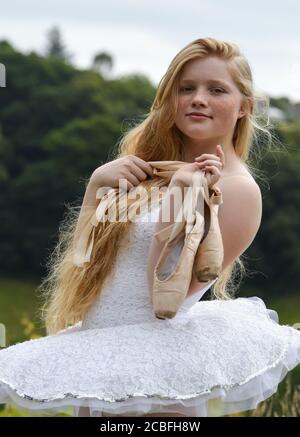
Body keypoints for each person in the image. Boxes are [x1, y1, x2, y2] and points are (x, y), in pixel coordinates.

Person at [0, 36, 300, 418]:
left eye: (216, 89)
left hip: (153, 382)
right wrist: (95, 187)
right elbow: (85, 264)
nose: (198, 99)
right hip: (104, 358)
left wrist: (177, 197)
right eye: (186, 87)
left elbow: (165, 298)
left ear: (245, 106)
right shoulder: (154, 169)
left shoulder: (237, 189)